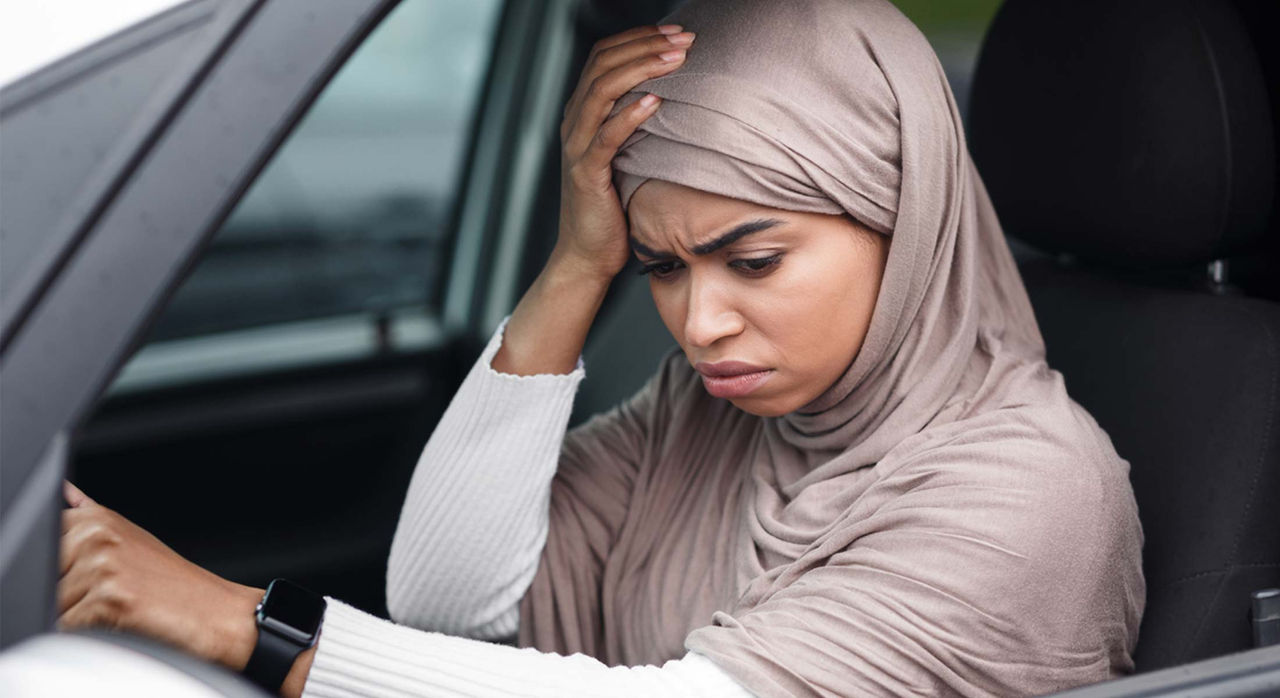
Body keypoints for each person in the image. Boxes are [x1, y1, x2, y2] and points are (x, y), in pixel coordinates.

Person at [57, 1, 1145, 696]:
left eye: (751, 260)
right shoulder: (708, 409)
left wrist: (245, 623)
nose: (697, 322)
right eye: (662, 267)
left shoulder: (1027, 490)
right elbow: (447, 596)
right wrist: (578, 264)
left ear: (901, 224)